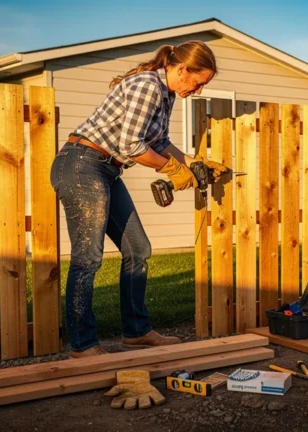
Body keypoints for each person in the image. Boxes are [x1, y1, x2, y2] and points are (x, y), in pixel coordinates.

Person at [50, 40, 230, 358]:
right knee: (88, 258)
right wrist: (173, 168)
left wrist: (193, 163)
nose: (198, 91)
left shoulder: (167, 94)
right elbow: (132, 144)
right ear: (182, 69)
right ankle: (82, 345)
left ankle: (136, 333)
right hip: (81, 163)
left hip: (107, 169)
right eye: (199, 83)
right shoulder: (148, 85)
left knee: (138, 249)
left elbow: (160, 143)